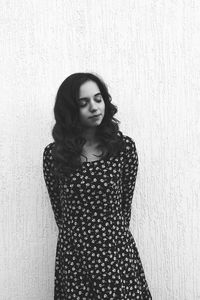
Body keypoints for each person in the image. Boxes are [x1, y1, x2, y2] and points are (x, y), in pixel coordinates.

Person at [43, 72, 152, 299]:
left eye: (98, 99)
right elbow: (60, 211)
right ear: (71, 111)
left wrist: (109, 236)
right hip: (75, 257)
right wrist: (81, 236)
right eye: (84, 103)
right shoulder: (55, 155)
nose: (94, 107)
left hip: (115, 253)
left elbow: (124, 205)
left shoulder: (123, 148)